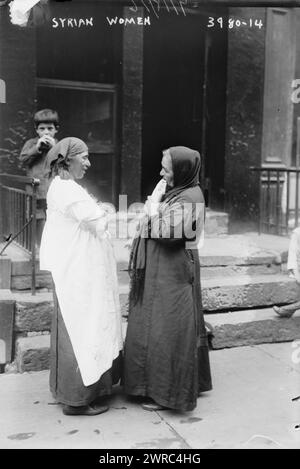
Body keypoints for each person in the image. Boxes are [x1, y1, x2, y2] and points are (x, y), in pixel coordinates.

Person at [124, 146, 212, 412]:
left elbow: (169, 232)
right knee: (154, 325)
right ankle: (146, 385)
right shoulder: (176, 192)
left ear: (183, 171)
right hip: (160, 270)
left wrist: (149, 212)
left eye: (166, 169)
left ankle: (168, 393)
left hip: (172, 273)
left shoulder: (191, 197)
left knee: (168, 329)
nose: (161, 173)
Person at [39, 137, 123, 416]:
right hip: (77, 271)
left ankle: (76, 391)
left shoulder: (68, 187)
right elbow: (97, 218)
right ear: (67, 160)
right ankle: (76, 399)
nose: (88, 162)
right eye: (83, 157)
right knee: (80, 328)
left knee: (83, 326)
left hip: (81, 268)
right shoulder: (66, 190)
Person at [19, 109, 59, 245]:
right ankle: (38, 248)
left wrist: (55, 148)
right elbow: (23, 160)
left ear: (56, 130)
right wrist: (37, 148)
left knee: (54, 219)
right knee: (36, 219)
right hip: (35, 191)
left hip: (53, 191)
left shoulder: (60, 145)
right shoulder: (31, 143)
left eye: (50, 128)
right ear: (36, 130)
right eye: (42, 129)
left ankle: (52, 247)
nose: (46, 132)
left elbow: (67, 165)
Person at [273, 227, 300, 318]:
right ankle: (288, 310)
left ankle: (289, 309)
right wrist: (297, 274)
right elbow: (292, 255)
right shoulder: (297, 233)